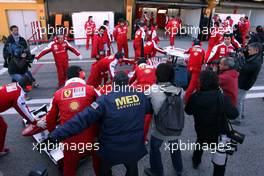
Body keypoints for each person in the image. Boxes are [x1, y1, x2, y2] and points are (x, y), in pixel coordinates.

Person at [41, 71, 152, 176]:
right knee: (132, 170)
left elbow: (81, 120)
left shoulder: (105, 101)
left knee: (103, 171)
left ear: (113, 84)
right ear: (128, 84)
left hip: (111, 149)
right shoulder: (141, 97)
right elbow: (152, 109)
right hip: (133, 147)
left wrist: (54, 136)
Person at [40, 66, 100, 176]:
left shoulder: (57, 94)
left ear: (67, 77)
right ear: (81, 75)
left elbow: (50, 120)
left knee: (69, 168)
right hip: (92, 139)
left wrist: (55, 136)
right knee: (100, 165)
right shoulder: (91, 89)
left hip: (69, 141)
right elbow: (104, 110)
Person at [185, 70, 239, 176]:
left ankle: (196, 161)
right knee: (220, 158)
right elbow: (234, 114)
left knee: (200, 143)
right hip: (220, 132)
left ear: (201, 81)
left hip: (202, 128)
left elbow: (188, 111)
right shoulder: (222, 97)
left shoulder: (195, 97)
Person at [144, 63, 184, 176]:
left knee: (154, 147)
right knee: (174, 146)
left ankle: (157, 171)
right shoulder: (180, 90)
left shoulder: (153, 89)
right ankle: (179, 169)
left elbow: (143, 98)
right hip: (175, 125)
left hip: (159, 127)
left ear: (157, 75)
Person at [0, 75, 43, 157]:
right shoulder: (18, 95)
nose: (30, 89)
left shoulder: (16, 85)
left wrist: (32, 118)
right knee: (2, 127)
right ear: (26, 86)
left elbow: (23, 106)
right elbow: (23, 110)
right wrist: (35, 122)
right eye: (30, 87)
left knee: (2, 126)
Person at [129, 59, 156, 143]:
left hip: (141, 91)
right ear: (147, 63)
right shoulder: (153, 67)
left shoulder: (137, 68)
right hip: (152, 91)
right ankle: (143, 138)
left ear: (138, 64)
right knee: (148, 116)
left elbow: (132, 80)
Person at [236, 42, 263, 123]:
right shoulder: (257, 57)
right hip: (247, 82)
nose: (248, 51)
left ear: (256, 50)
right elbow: (247, 56)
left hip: (244, 83)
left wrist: (240, 60)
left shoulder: (255, 62)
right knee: (242, 99)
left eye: (250, 50)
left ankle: (237, 119)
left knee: (238, 100)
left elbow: (243, 69)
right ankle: (241, 114)